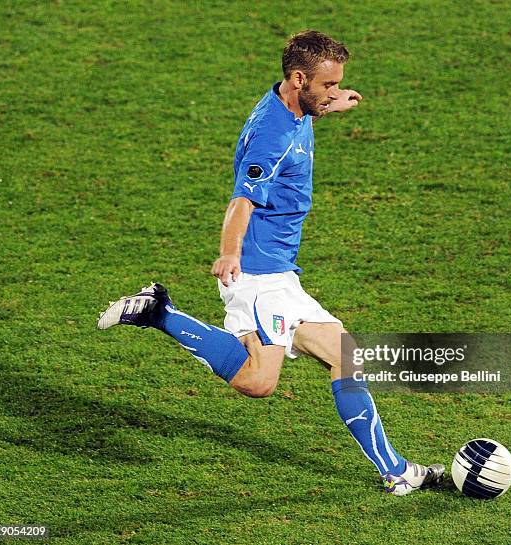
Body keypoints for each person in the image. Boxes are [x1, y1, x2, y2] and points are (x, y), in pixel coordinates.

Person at [98, 30, 444, 495]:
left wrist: (330, 106)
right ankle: (159, 313)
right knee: (260, 382)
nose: (334, 92)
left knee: (346, 356)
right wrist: (229, 252)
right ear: (299, 79)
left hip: (280, 273)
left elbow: (301, 120)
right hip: (257, 275)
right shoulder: (271, 135)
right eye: (328, 87)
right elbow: (243, 200)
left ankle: (398, 472)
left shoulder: (293, 106)